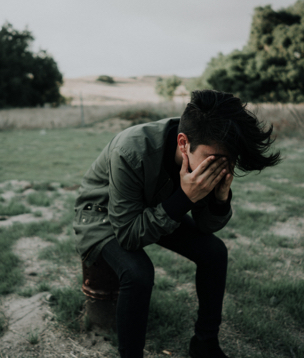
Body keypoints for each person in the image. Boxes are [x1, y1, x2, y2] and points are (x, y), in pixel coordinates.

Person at [73, 90, 281, 358]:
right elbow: (128, 236)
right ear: (183, 143)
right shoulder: (131, 149)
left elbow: (206, 227)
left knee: (215, 252)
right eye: (215, 160)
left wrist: (219, 199)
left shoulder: (207, 146)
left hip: (154, 208)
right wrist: (184, 198)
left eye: (229, 161)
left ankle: (205, 344)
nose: (221, 167)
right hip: (102, 216)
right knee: (138, 272)